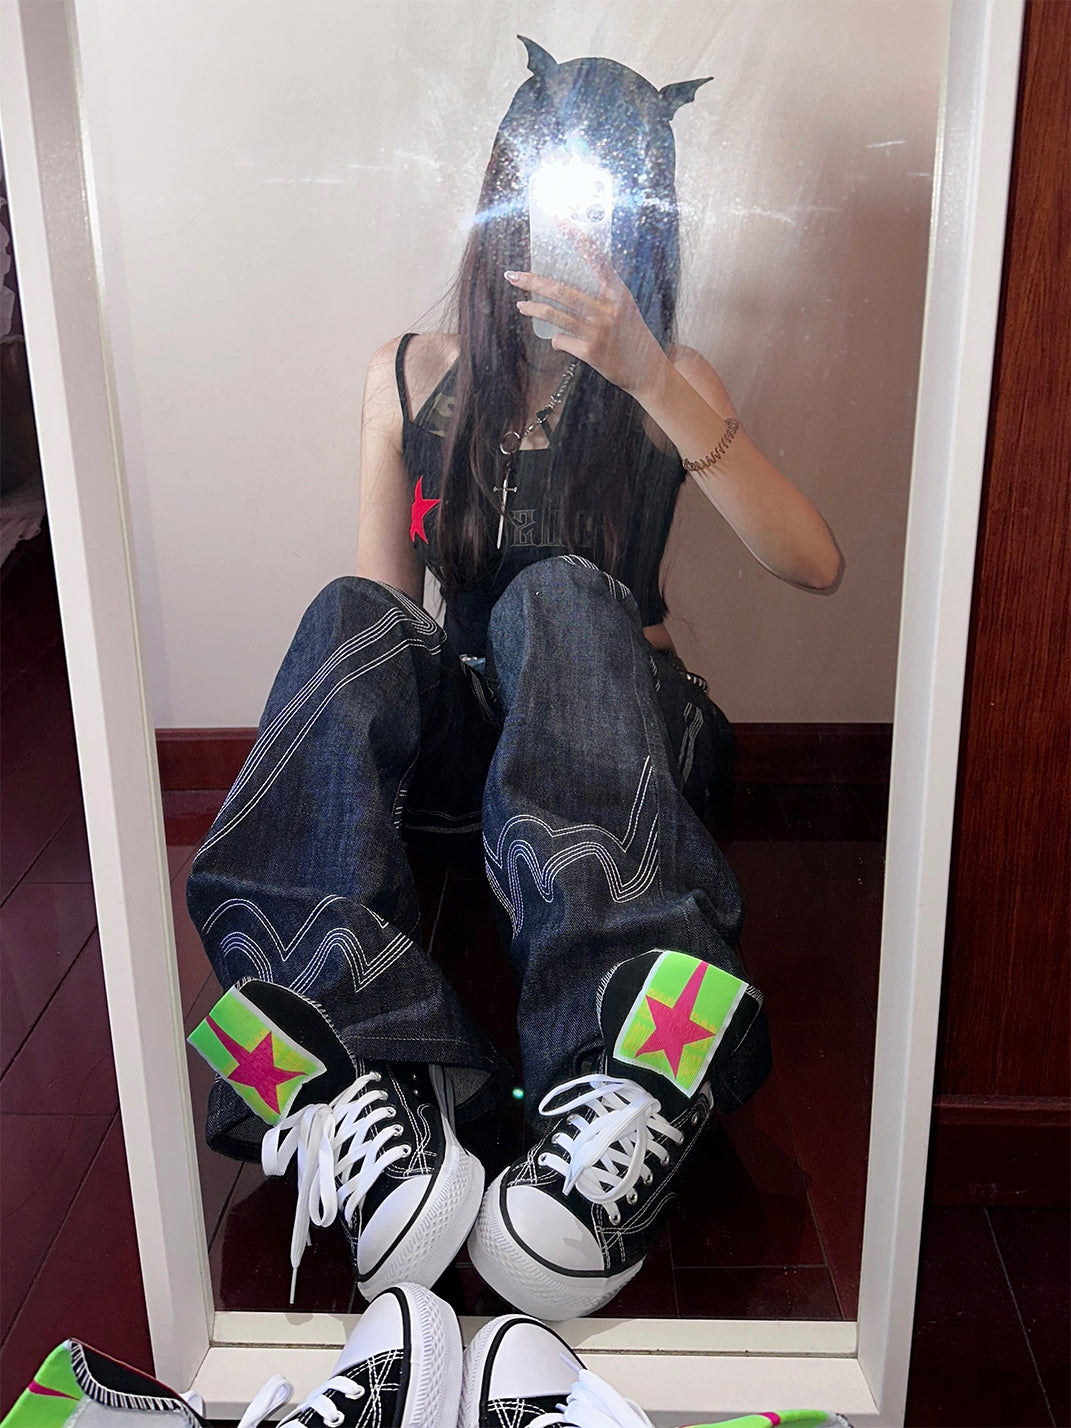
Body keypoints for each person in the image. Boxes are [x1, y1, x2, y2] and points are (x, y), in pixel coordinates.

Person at [186, 37, 841, 1320]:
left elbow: (812, 562)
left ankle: (628, 1062)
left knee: (557, 593)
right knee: (350, 614)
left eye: (611, 208)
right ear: (503, 198)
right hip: (467, 769)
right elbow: (382, 633)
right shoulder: (406, 376)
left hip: (621, 753)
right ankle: (350, 1060)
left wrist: (647, 375)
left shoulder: (669, 381)